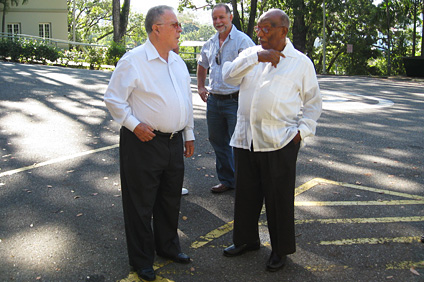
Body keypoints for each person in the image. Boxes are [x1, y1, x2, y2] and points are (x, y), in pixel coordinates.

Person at [221, 9, 322, 272]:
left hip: (281, 141)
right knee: (246, 195)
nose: (261, 33)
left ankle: (280, 250)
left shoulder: (301, 63)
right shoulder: (250, 54)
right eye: (259, 28)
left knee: (279, 200)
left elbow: (313, 102)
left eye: (267, 28)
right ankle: (246, 240)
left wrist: (302, 132)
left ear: (283, 31)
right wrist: (256, 57)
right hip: (246, 139)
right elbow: (227, 76)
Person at [104, 5, 194, 281]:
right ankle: (142, 261)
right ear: (157, 29)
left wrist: (188, 133)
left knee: (169, 199)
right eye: (175, 25)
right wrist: (133, 124)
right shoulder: (134, 60)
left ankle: (167, 247)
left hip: (173, 141)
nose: (180, 29)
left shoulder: (177, 62)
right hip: (143, 141)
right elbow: (113, 99)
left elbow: (186, 100)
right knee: (140, 204)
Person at [197, 4, 255, 193]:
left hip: (235, 100)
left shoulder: (242, 41)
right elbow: (202, 63)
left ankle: (245, 182)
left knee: (240, 143)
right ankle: (227, 180)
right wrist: (200, 86)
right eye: (214, 18)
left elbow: (254, 69)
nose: (218, 22)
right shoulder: (212, 41)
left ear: (230, 17)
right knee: (218, 142)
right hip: (214, 100)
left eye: (221, 17)